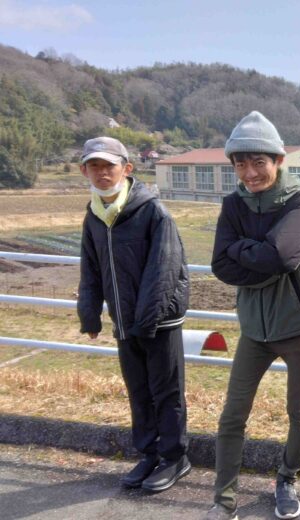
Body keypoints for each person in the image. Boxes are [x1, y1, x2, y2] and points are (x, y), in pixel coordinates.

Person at [205, 111, 300, 520]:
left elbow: (283, 256)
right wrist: (253, 255)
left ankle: (287, 479)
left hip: (298, 325)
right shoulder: (233, 204)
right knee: (232, 415)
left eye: (259, 162)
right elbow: (221, 266)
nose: (250, 172)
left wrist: (242, 248)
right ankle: (223, 500)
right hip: (254, 329)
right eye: (241, 163)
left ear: (278, 161)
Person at [77, 136, 190, 492]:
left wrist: (146, 321)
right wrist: (90, 316)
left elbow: (165, 270)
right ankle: (149, 453)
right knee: (138, 391)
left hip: (159, 321)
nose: (101, 172)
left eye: (108, 165)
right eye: (94, 166)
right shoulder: (94, 215)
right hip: (125, 321)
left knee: (166, 391)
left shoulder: (152, 211)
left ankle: (175, 458)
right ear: (85, 171)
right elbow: (90, 268)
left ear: (127, 169)